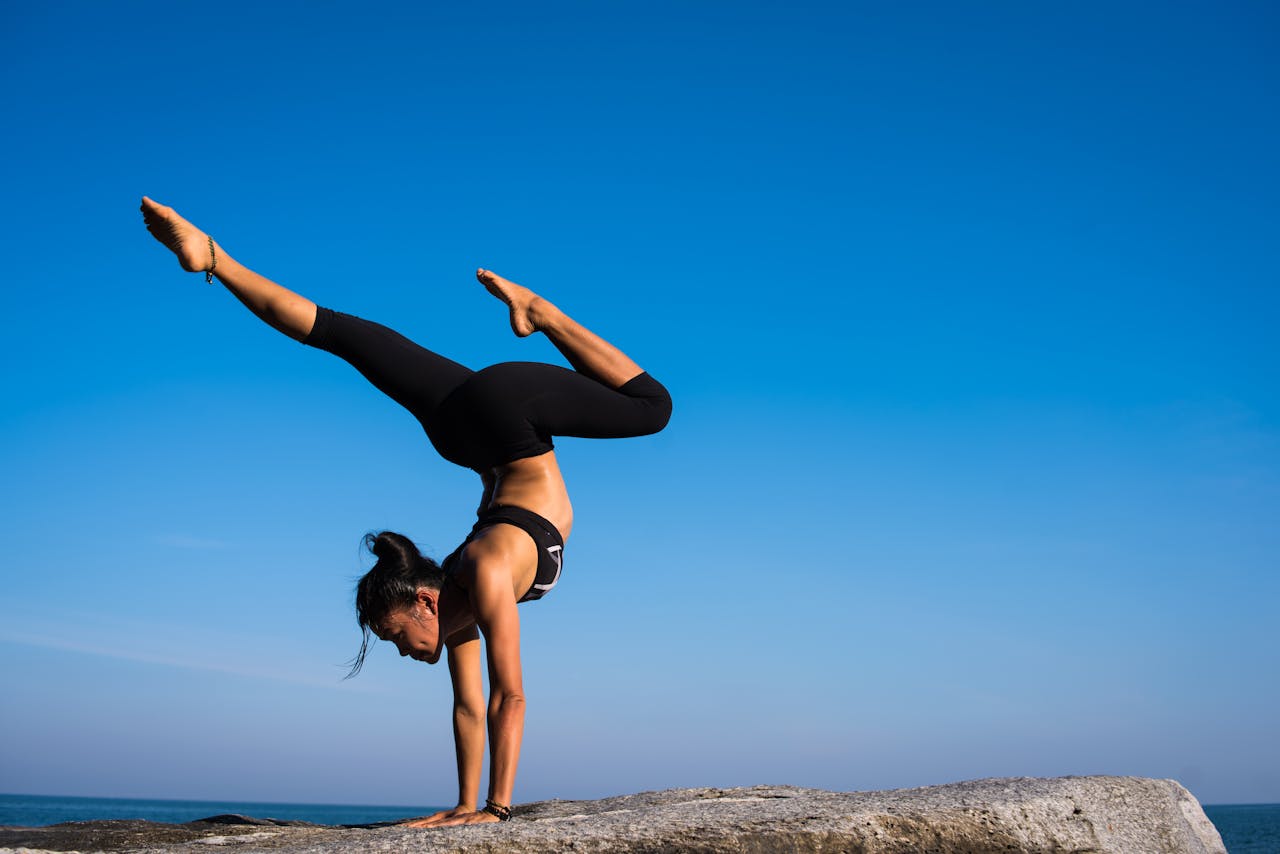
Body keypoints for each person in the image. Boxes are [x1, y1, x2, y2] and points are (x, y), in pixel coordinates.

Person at [139, 197, 672, 827]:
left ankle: (540, 311)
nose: (401, 652)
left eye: (394, 635)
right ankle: (214, 259)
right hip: (466, 432)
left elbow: (512, 695)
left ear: (424, 601)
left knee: (651, 407)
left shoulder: (485, 572)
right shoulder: (459, 600)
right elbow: (470, 708)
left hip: (510, 416)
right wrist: (463, 807)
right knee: (340, 335)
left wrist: (497, 812)